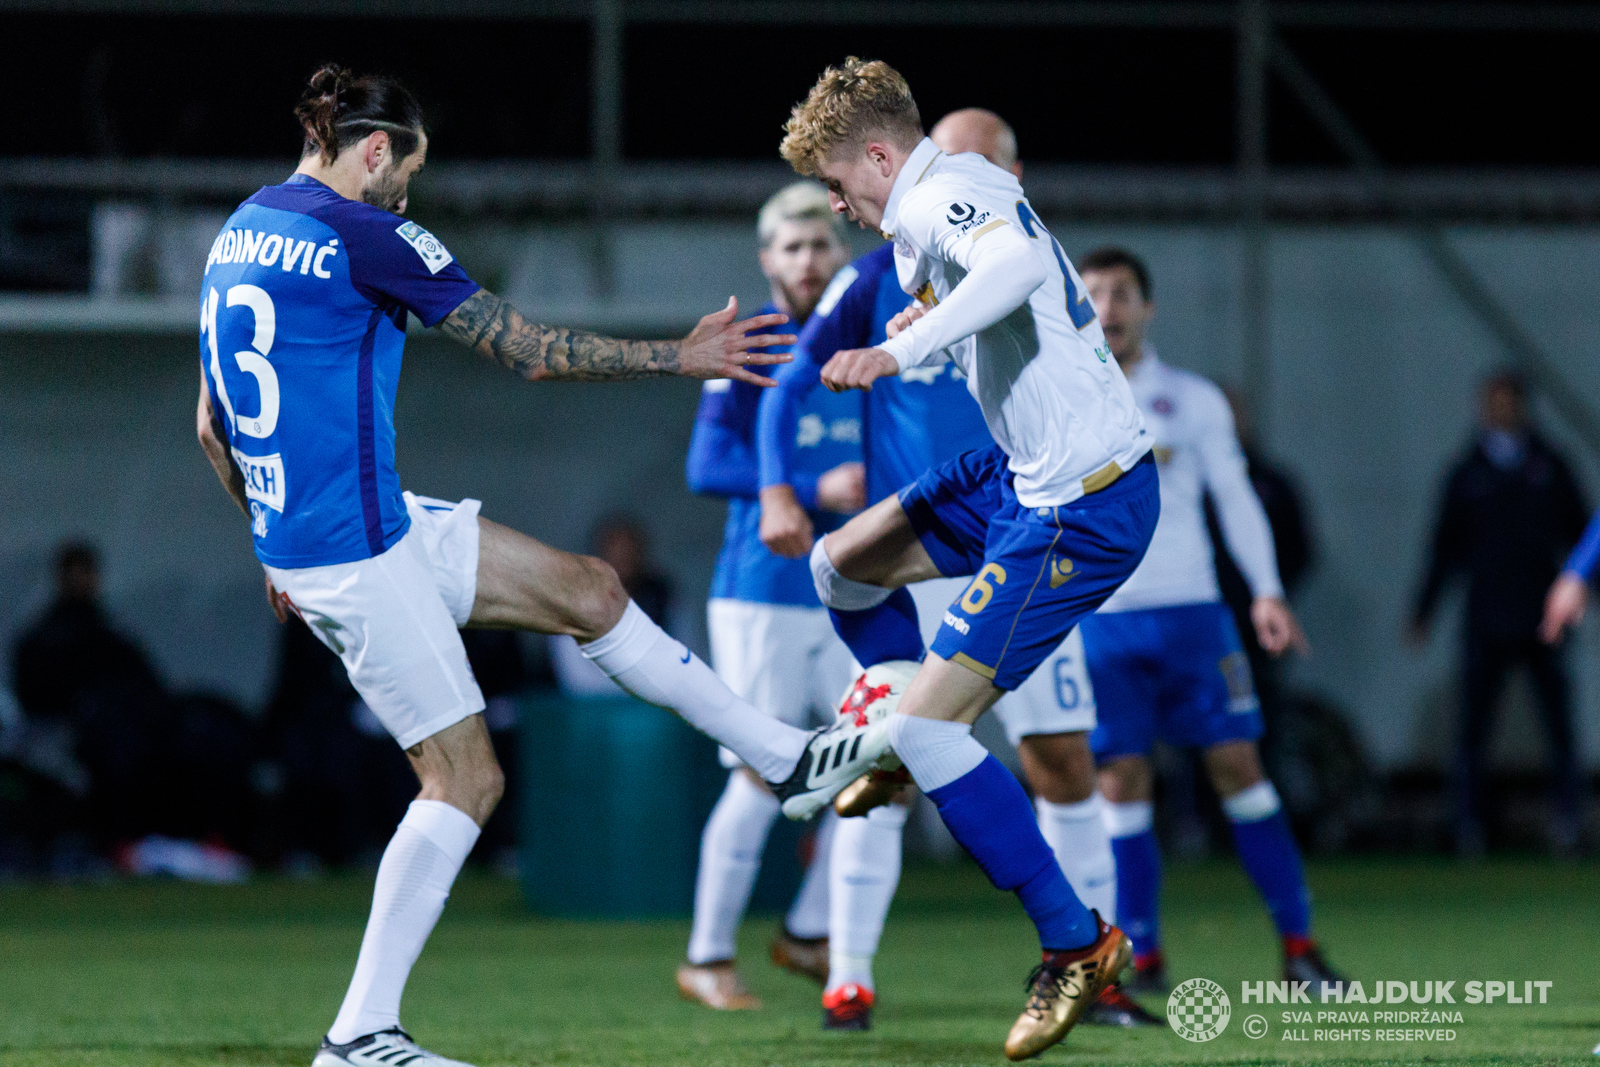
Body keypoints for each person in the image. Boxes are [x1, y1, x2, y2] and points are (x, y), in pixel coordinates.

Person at [196, 65, 882, 1067]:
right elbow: (528, 347)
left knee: (589, 590)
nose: (407, 192)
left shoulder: (239, 230)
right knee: (462, 778)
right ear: (377, 150)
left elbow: (211, 423)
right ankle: (359, 1035)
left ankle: (780, 755)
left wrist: (268, 532)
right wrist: (673, 358)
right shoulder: (370, 233)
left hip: (354, 524)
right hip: (352, 547)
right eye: (407, 170)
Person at [774, 58, 1158, 1060]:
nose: (834, 200)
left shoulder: (945, 189)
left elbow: (1016, 273)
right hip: (1018, 473)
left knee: (934, 730)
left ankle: (1078, 942)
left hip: (1082, 504)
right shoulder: (947, 198)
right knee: (840, 566)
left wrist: (900, 351)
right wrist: (933, 334)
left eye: (833, 179)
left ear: (879, 154)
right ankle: (898, 734)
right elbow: (1014, 309)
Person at [1070, 246, 1344, 994]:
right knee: (1120, 782)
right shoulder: (1060, 397)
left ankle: (1299, 946)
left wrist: (1266, 590)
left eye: (1123, 292)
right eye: (1092, 292)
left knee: (1240, 770)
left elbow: (1237, 496)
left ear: (1148, 307)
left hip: (1195, 617)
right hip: (1102, 620)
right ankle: (1143, 953)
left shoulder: (1191, 399)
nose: (1108, 306)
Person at [676, 182, 864, 1010]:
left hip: (857, 590)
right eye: (791, 247)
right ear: (767, 260)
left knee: (884, 763)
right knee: (760, 776)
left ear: (840, 250)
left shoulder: (870, 335)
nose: (807, 259)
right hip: (765, 592)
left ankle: (809, 931)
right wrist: (813, 486)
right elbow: (705, 466)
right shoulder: (752, 340)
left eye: (820, 243)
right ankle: (707, 955)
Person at [1412, 370, 1587, 856]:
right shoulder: (1467, 472)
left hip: (1543, 616)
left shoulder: (1550, 465)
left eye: (1506, 401)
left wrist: (1587, 590)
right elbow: (1443, 548)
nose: (1498, 409)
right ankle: (1467, 824)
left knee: (1559, 728)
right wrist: (1423, 609)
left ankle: (1567, 821)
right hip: (1485, 619)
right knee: (1472, 729)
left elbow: (1582, 533)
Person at [11, 540, 167, 857]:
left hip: (111, 740)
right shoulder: (46, 637)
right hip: (59, 738)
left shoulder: (108, 633)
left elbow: (145, 686)